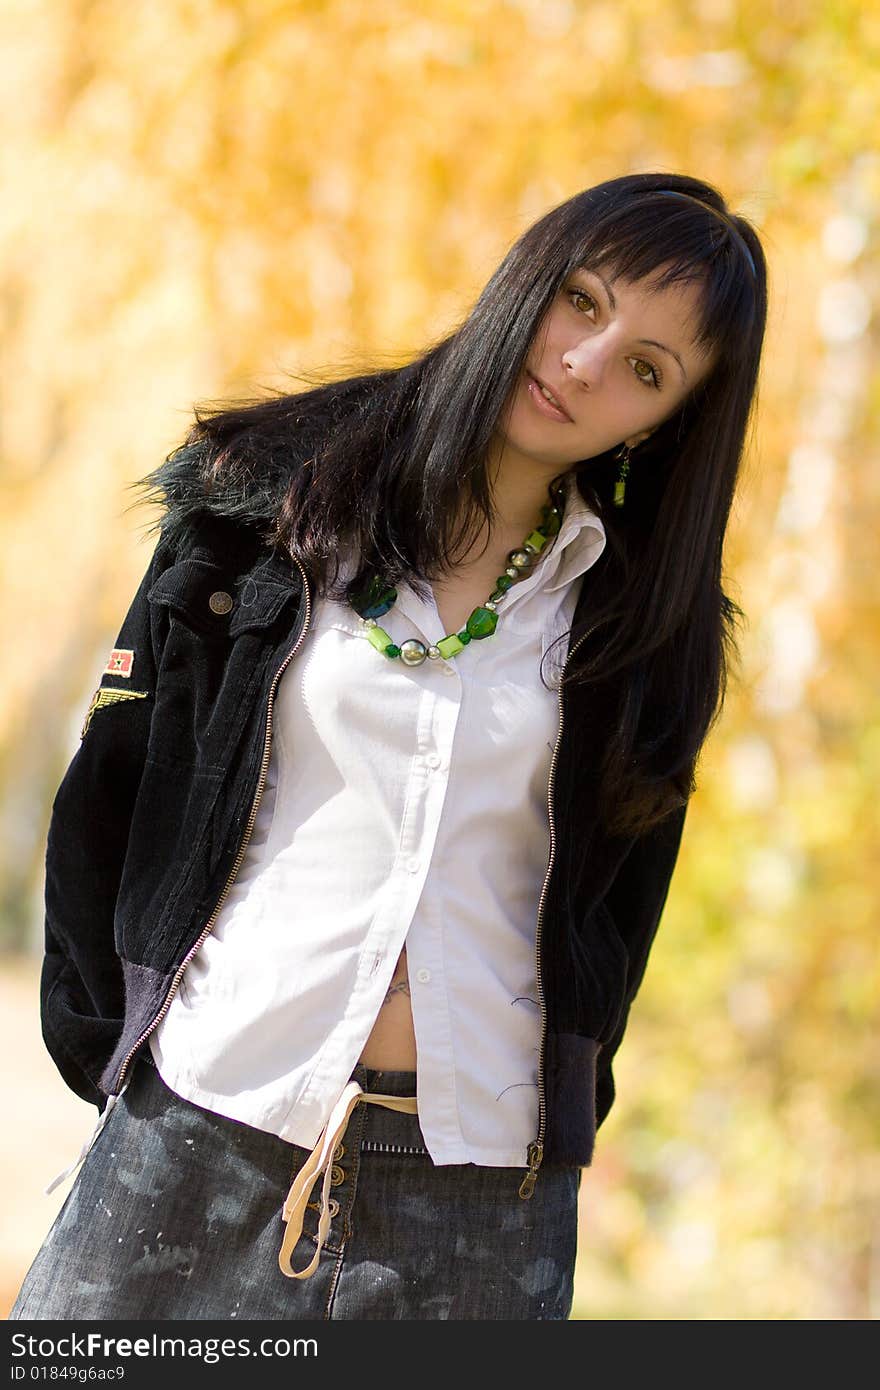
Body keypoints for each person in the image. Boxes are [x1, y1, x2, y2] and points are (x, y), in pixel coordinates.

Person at [10, 172, 766, 1322]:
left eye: (648, 369)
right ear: (528, 277)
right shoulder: (261, 507)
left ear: (665, 423)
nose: (584, 361)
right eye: (581, 300)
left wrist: (566, 1100)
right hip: (206, 1131)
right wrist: (112, 1050)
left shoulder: (642, 633)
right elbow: (112, 783)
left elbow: (620, 913)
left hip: (475, 1203)